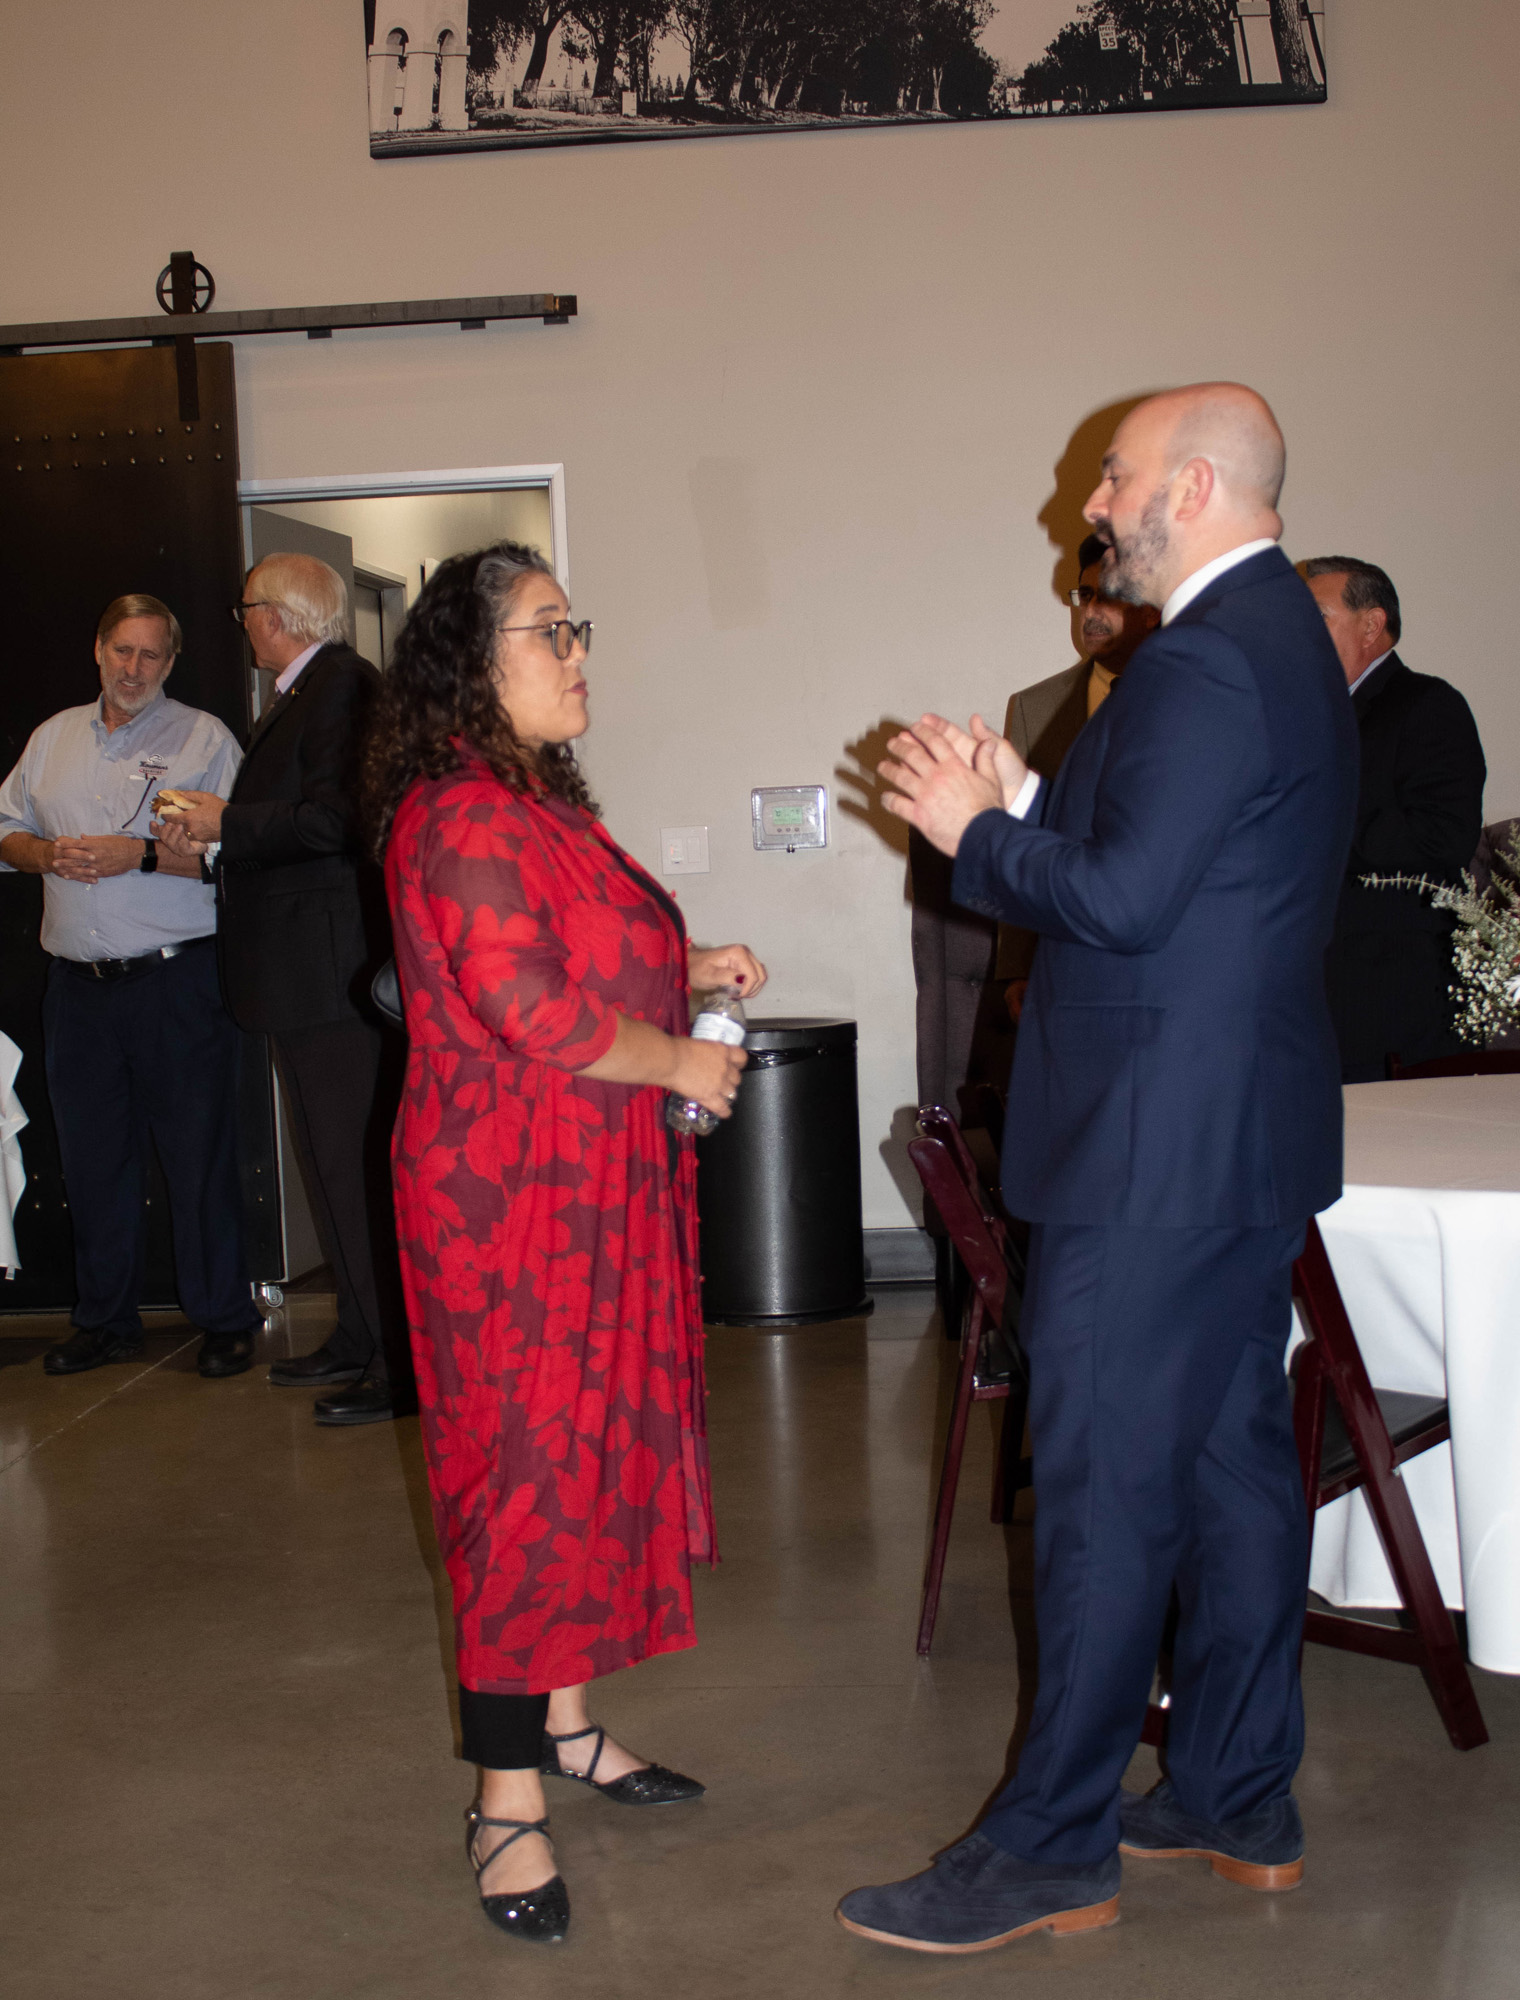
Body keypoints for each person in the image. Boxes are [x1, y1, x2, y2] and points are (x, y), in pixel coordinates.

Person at [839, 384, 1358, 1953]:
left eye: (1117, 478)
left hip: (1149, 1147)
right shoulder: (1275, 638)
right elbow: (1179, 859)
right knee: (1229, 1470)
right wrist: (1021, 795)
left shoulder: (1202, 656)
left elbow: (1123, 905)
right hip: (1229, 1135)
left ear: (1191, 486)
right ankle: (1235, 1794)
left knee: (1101, 1495)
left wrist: (968, 832)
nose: (1093, 505)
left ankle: (1051, 1844)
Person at [364, 541, 767, 1945]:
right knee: (522, 1479)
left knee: (590, 1454)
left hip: (586, 1182)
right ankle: (504, 1800)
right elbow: (529, 1008)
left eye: (575, 625)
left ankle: (570, 1722)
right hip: (508, 1205)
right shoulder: (459, 812)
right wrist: (683, 1061)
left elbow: (576, 954)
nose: (577, 649)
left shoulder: (536, 802)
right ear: (472, 665)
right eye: (549, 629)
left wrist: (688, 966)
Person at [153, 554, 405, 1426]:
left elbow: (340, 821)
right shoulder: (306, 691)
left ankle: (396, 1360)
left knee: (351, 1167)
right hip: (300, 974)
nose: (243, 623)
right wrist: (219, 842)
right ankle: (359, 1332)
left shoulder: (342, 686)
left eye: (247, 609)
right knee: (328, 1168)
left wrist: (227, 822)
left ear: (279, 615)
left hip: (327, 975)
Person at [0, 594, 261, 1378]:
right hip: (76, 991)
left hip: (175, 985)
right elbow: (6, 828)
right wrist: (43, 855)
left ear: (171, 662)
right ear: (98, 649)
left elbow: (238, 856)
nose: (134, 668)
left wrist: (138, 855)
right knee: (91, 1162)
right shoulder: (52, 738)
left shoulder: (204, 740)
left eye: (151, 655)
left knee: (198, 1158)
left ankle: (224, 1317)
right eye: (123, 651)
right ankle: (106, 1321)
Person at [1301, 557, 1486, 1081]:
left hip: (1388, 999)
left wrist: (1312, 815)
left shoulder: (1427, 704)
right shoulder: (1308, 714)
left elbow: (1442, 837)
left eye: (1317, 616)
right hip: (1308, 992)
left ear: (1371, 625)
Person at [996, 532, 1160, 1012]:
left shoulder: (1195, 696)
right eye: (1084, 595)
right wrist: (1019, 968)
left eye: (1108, 596)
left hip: (1167, 953)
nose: (1089, 612)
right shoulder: (1034, 708)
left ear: (1151, 610)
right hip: (1067, 954)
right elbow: (1020, 844)